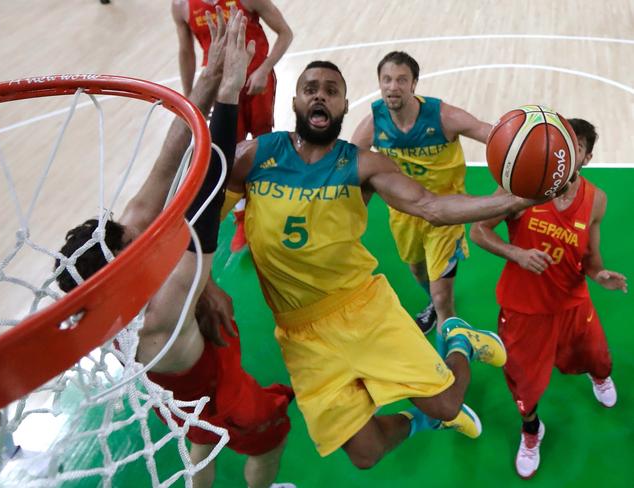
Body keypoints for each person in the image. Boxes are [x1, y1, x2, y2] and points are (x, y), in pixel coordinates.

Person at [212, 59, 542, 469]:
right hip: (300, 333)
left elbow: (431, 205)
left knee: (447, 401)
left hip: (362, 310)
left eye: (331, 90)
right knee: (366, 453)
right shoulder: (256, 155)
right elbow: (203, 215)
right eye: (310, 87)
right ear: (295, 100)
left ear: (345, 105)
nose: (320, 94)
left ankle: (458, 339)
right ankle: (425, 423)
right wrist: (206, 281)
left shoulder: (362, 164)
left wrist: (514, 200)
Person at [55, 11, 294, 488]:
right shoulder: (165, 302)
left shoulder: (106, 283)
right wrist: (227, 96)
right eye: (128, 240)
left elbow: (169, 162)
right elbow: (208, 192)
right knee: (269, 435)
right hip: (205, 383)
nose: (132, 229)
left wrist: (206, 82)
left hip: (166, 387)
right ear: (121, 268)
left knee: (199, 441)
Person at [469, 118, 627, 480]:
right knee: (525, 383)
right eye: (565, 144)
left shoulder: (596, 200)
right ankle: (531, 431)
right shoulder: (523, 186)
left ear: (586, 157)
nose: (570, 153)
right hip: (524, 309)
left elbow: (590, 258)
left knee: (598, 359)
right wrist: (516, 253)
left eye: (579, 148)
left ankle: (598, 378)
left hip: (573, 302)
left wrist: (600, 275)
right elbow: (478, 231)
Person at [352, 51, 492, 338]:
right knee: (418, 271)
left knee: (443, 301)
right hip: (404, 214)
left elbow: (487, 132)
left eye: (402, 80)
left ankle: (449, 354)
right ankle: (435, 301)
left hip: (445, 212)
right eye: (387, 79)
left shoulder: (443, 116)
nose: (393, 86)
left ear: (414, 83)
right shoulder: (374, 123)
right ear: (379, 83)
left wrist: (528, 145)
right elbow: (350, 165)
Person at [172, 0, 293, 252]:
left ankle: (269, 207)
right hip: (220, 90)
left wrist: (264, 69)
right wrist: (193, 98)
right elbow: (186, 51)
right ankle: (241, 220)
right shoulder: (181, 6)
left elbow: (285, 32)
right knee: (227, 154)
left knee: (262, 143)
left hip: (256, 80)